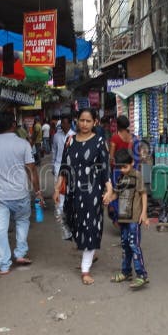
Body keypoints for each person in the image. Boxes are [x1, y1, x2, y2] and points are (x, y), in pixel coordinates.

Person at [53, 108, 114, 285]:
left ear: (95, 122)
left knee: (90, 226)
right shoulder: (70, 141)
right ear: (76, 121)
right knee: (74, 223)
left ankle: (85, 269)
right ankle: (89, 251)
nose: (85, 124)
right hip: (73, 191)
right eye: (82, 120)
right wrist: (57, 188)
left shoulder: (99, 141)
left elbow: (104, 168)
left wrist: (109, 189)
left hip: (92, 192)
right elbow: (64, 166)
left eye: (88, 121)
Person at [0, 111, 43, 273]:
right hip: (20, 193)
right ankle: (20, 253)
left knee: (0, 228)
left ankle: (4, 265)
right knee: (22, 221)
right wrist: (38, 191)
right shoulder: (23, 144)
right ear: (13, 125)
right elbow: (32, 170)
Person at [104, 149, 149, 289]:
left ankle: (142, 275)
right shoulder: (120, 178)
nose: (122, 170)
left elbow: (143, 195)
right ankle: (126, 272)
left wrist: (144, 214)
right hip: (122, 218)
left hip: (134, 219)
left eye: (125, 167)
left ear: (132, 163)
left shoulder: (137, 176)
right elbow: (116, 195)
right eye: (120, 167)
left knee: (134, 245)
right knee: (125, 246)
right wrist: (108, 198)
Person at [51, 115, 75, 240]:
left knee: (68, 192)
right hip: (57, 166)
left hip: (70, 169)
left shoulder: (74, 136)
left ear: (69, 124)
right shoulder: (56, 136)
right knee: (59, 191)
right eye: (62, 124)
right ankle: (61, 217)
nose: (64, 126)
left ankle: (68, 213)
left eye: (66, 123)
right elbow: (54, 150)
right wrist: (52, 164)